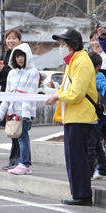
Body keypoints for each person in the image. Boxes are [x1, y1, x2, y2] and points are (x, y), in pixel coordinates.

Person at [45, 29, 96, 206]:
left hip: (81, 117)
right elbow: (66, 88)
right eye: (60, 44)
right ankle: (78, 193)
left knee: (77, 157)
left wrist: (58, 97)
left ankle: (82, 195)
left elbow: (77, 94)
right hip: (73, 116)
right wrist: (56, 95)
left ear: (74, 44)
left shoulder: (81, 61)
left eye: (64, 44)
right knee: (72, 157)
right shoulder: (72, 62)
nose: (61, 47)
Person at [0, 43, 39, 175]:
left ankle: (25, 164)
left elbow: (29, 93)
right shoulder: (12, 73)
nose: (20, 59)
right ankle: (22, 163)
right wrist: (1, 113)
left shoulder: (33, 72)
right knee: (18, 137)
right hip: (12, 112)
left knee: (23, 137)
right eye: (17, 56)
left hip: (24, 112)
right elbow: (7, 94)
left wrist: (25, 114)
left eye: (22, 56)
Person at [0, 29, 23, 170]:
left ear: (20, 40)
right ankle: (15, 158)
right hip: (5, 93)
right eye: (8, 38)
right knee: (8, 125)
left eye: (14, 38)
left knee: (17, 127)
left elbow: (16, 75)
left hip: (17, 95)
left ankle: (17, 159)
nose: (11, 41)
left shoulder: (22, 54)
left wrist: (3, 69)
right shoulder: (6, 54)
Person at [87, 52, 106, 180]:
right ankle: (103, 169)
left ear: (97, 67)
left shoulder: (99, 79)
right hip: (94, 115)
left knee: (91, 144)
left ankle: (88, 172)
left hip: (97, 116)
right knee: (97, 144)